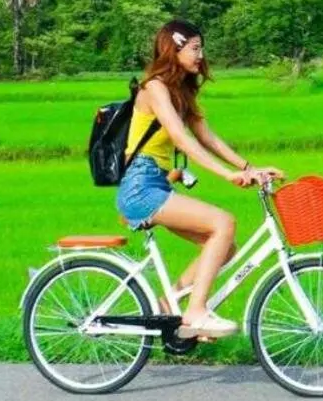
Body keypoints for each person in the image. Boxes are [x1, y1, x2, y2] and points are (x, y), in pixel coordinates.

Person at [117, 19, 283, 340]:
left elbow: (208, 138)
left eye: (200, 48)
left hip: (157, 184)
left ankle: (169, 307)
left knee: (223, 246)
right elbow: (181, 138)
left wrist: (250, 167)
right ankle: (195, 313)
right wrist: (227, 174)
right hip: (140, 185)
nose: (200, 55)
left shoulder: (181, 92)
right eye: (194, 48)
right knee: (224, 222)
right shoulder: (154, 87)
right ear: (173, 48)